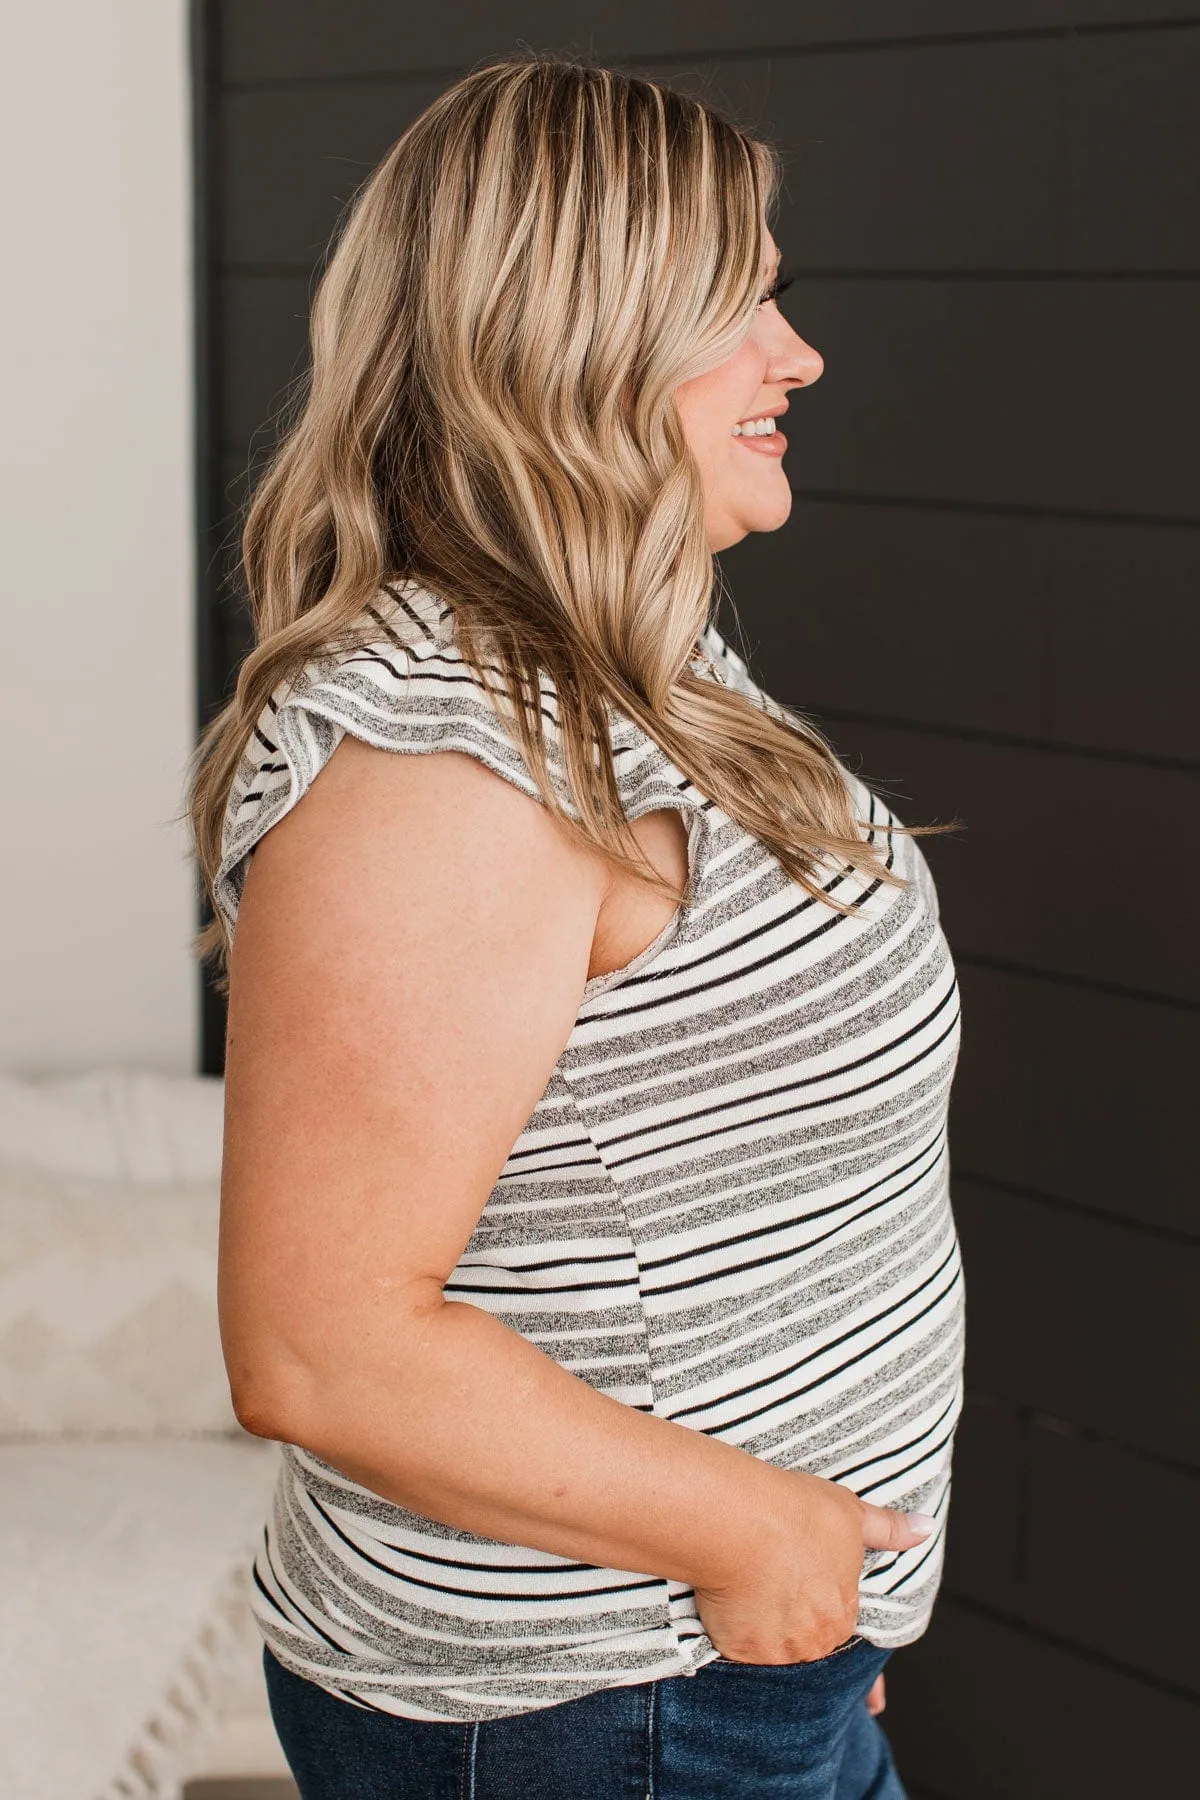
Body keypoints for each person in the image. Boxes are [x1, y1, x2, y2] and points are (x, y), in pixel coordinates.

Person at [189, 55, 964, 1800]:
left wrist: (825, 1597)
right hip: (604, 1705)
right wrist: (760, 1543)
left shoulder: (625, 652)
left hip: (725, 1665)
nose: (800, 353)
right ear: (577, 341)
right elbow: (321, 1343)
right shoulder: (448, 756)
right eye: (744, 300)